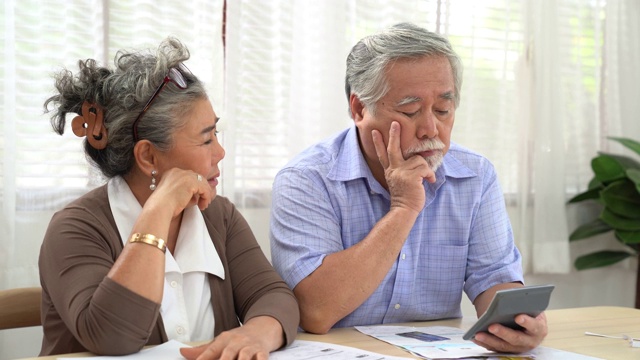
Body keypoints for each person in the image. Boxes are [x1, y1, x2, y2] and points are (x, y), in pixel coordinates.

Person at [269, 22, 547, 354]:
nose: (432, 128)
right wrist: (403, 208)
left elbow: (493, 279)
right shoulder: (306, 179)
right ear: (359, 109)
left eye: (444, 110)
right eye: (410, 111)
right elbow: (317, 311)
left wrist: (519, 324)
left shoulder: (475, 175)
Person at [39, 38, 299, 359]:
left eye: (216, 134)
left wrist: (257, 333)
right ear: (148, 156)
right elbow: (111, 338)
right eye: (205, 140)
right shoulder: (75, 228)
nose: (220, 152)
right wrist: (158, 211)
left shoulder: (219, 214)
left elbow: (273, 295)